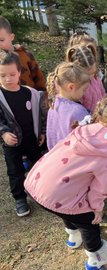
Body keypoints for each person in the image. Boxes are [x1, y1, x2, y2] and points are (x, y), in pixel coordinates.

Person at [24, 96, 107, 270]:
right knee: (88, 221)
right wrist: (96, 209)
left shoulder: (84, 127)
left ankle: (73, 237)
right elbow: (100, 186)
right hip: (57, 193)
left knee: (67, 209)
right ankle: (97, 257)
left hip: (36, 183)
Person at [0, 51, 47, 216]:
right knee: (15, 171)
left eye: (12, 74)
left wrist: (42, 132)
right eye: (2, 75)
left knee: (39, 164)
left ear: (19, 72)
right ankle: (20, 198)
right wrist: (4, 133)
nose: (8, 79)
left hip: (31, 138)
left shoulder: (31, 94)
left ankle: (41, 190)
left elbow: (41, 115)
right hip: (12, 144)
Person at [46, 62, 90, 150]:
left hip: (56, 155)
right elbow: (88, 140)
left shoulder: (54, 103)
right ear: (71, 87)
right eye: (84, 90)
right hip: (74, 158)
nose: (85, 93)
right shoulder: (78, 111)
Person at [0, 16, 46, 91]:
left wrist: (43, 96)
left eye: (1, 40)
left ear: (11, 37)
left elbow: (39, 79)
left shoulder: (25, 55)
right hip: (7, 100)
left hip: (31, 98)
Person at [66, 44, 106, 112]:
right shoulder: (76, 89)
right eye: (87, 75)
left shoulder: (95, 78)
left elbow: (103, 94)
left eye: (93, 73)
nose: (91, 77)